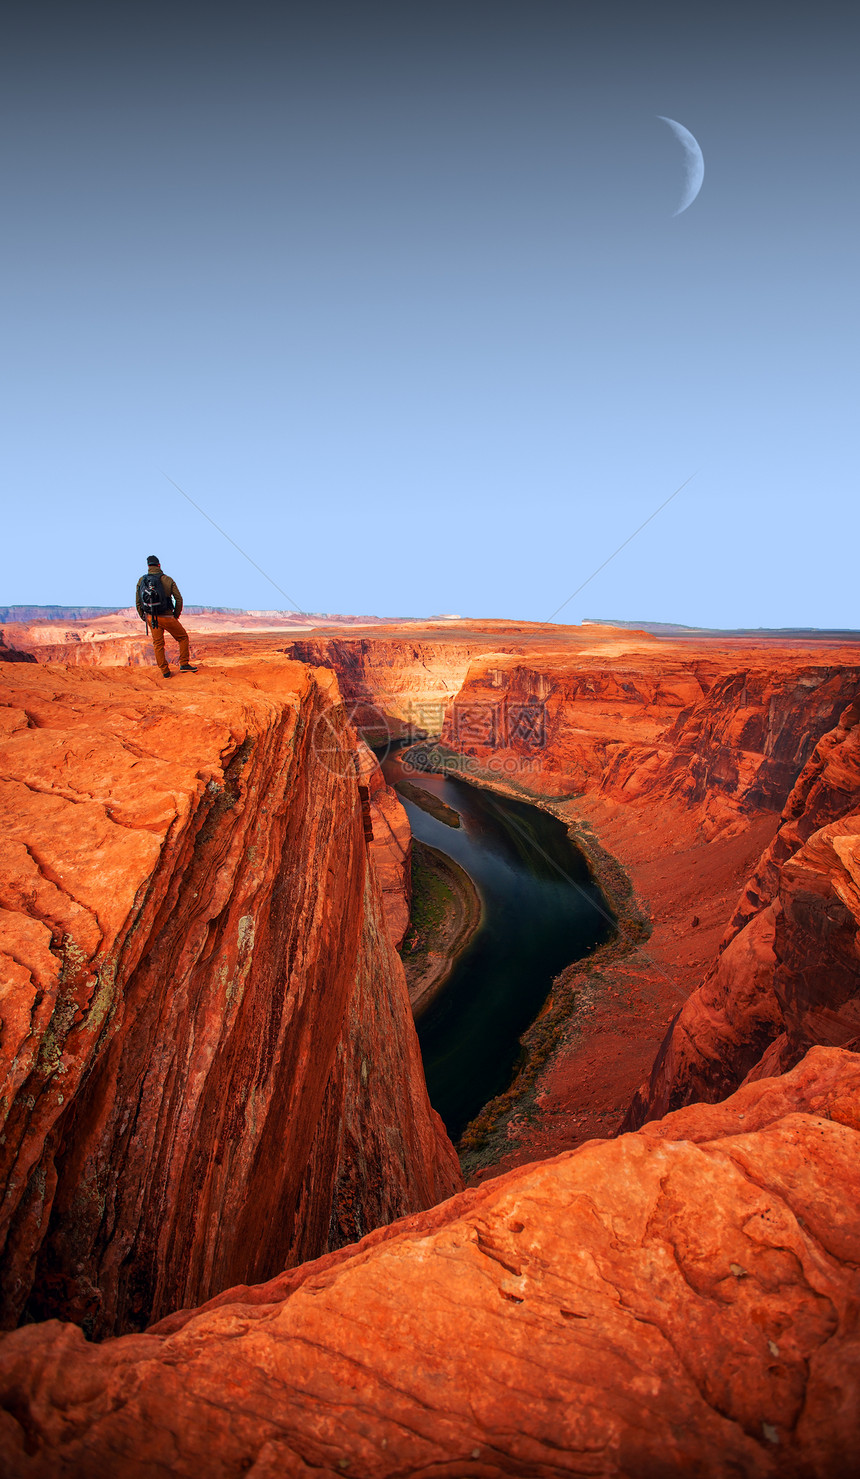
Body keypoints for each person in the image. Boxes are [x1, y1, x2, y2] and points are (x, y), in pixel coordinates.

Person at [135, 556, 197, 677]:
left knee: (158, 644)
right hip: (167, 616)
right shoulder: (168, 579)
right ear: (159, 565)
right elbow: (179, 599)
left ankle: (165, 671)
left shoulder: (141, 580)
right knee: (183, 637)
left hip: (151, 618)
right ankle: (184, 664)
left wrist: (144, 616)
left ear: (148, 566)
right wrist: (175, 616)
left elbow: (138, 602)